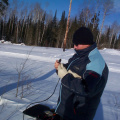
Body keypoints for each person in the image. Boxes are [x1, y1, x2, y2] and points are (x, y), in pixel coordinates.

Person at [54, 27, 109, 120]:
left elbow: (87, 89)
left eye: (76, 44)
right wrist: (60, 67)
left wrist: (64, 76)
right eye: (74, 43)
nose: (74, 47)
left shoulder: (95, 62)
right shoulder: (80, 54)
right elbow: (71, 68)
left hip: (78, 115)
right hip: (66, 109)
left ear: (86, 43)